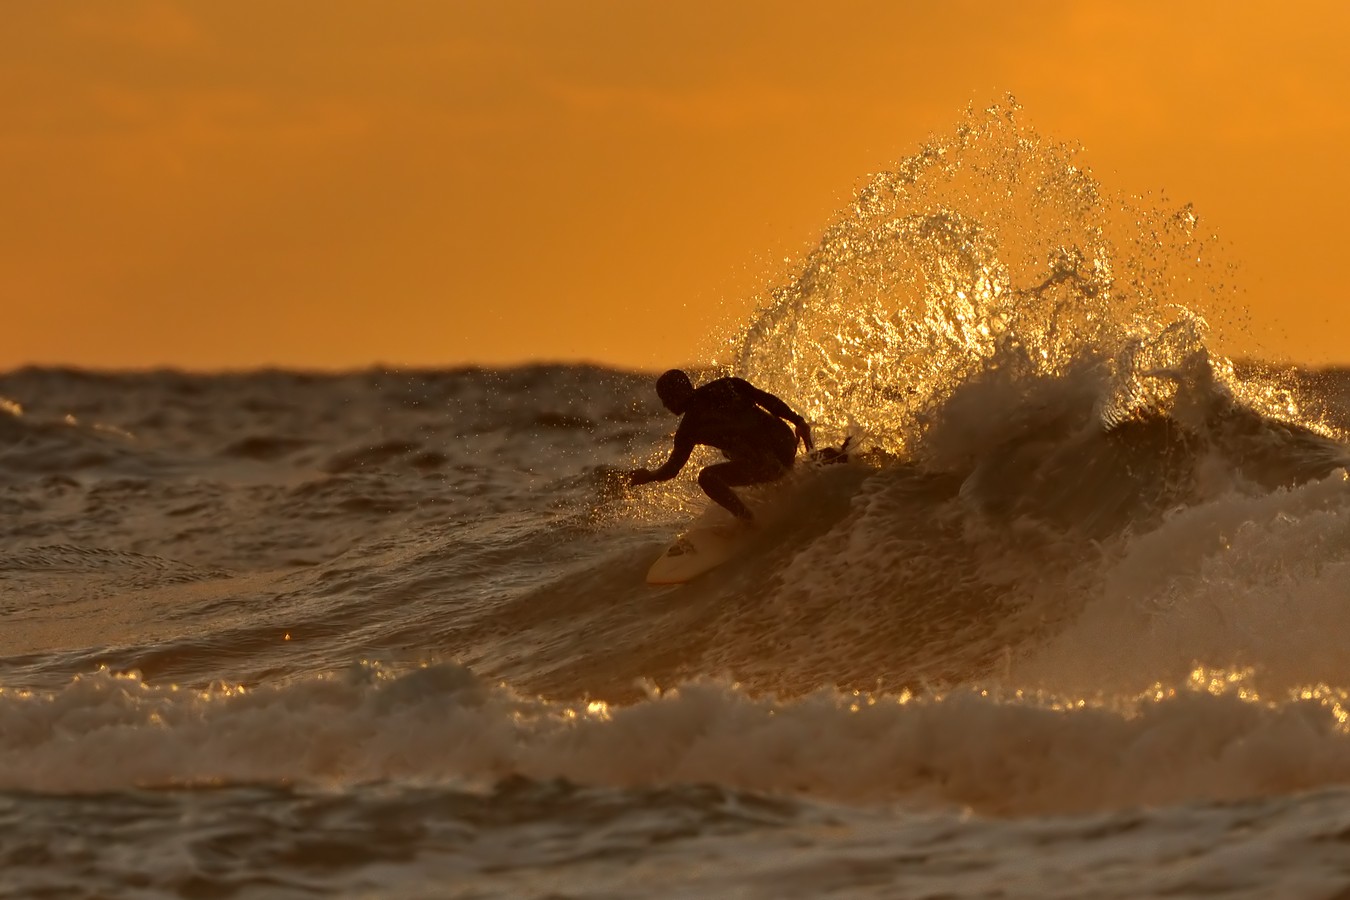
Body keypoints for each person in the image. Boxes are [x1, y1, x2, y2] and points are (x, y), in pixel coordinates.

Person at [629, 369, 814, 522]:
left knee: (707, 477)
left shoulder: (691, 427)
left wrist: (649, 475)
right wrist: (798, 421)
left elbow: (672, 469)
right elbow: (767, 400)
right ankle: (814, 464)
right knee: (731, 452)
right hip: (785, 442)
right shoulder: (727, 385)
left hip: (768, 466)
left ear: (678, 393)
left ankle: (746, 519)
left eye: (666, 398)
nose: (664, 404)